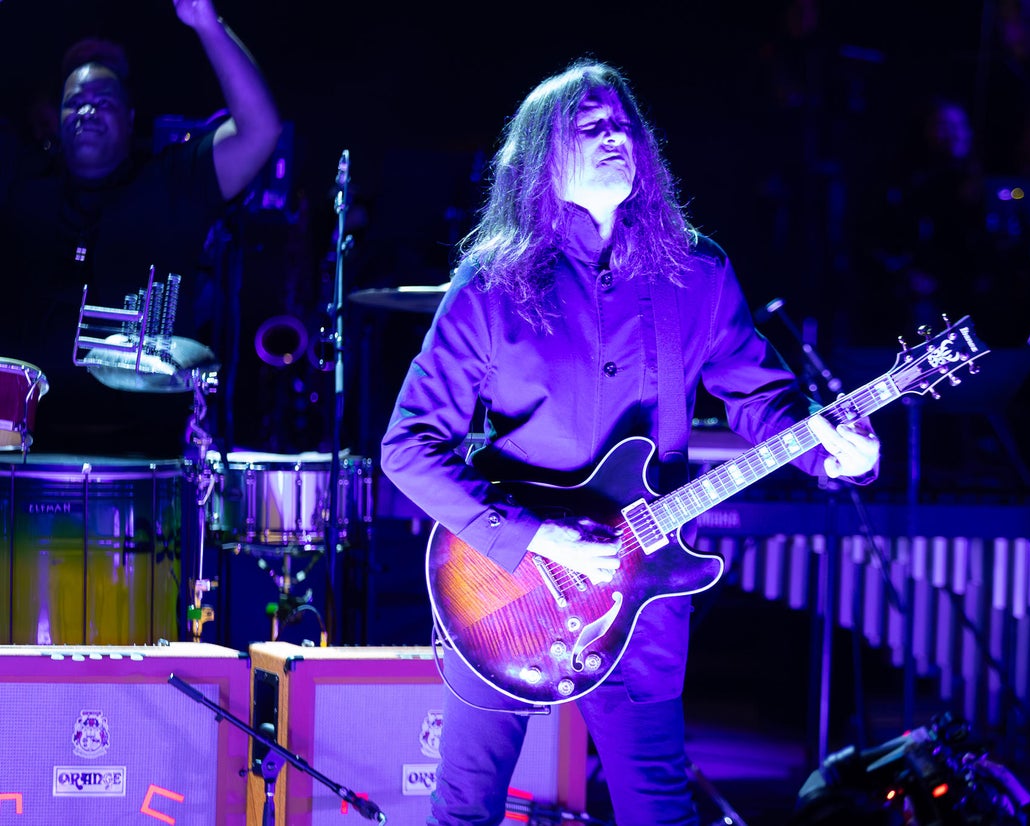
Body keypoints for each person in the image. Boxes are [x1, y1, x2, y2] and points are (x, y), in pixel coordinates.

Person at [380, 59, 881, 826]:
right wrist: (537, 536)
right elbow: (409, 445)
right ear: (544, 157)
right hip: (498, 590)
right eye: (592, 124)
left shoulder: (697, 271)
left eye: (624, 124)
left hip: (643, 595)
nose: (617, 134)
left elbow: (762, 395)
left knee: (658, 808)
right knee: (465, 808)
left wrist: (833, 451)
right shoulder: (492, 281)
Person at [0, 0, 280, 458]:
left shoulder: (173, 183)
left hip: (147, 452)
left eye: (104, 102)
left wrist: (206, 23)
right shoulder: (25, 187)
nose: (88, 111)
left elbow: (259, 131)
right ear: (58, 118)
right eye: (76, 102)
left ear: (131, 121)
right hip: (25, 445)